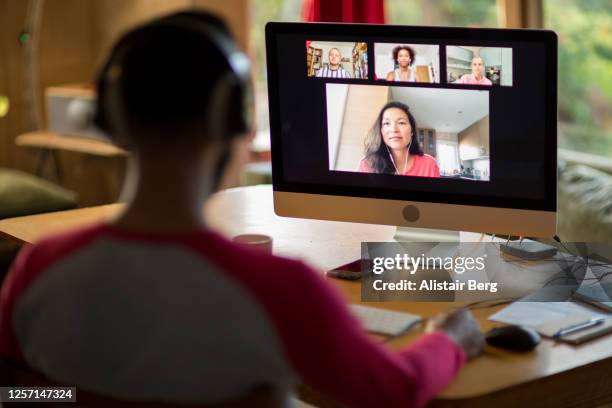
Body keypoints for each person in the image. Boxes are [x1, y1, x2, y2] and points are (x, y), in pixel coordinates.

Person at [0, 11, 483, 407]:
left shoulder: (38, 268)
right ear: (229, 122)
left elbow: (19, 394)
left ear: (112, 120)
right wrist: (450, 338)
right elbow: (394, 390)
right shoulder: (279, 288)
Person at [359, 101, 440, 178]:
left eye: (401, 123)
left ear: (412, 131)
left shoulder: (429, 164)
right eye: (386, 123)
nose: (394, 129)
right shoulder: (367, 165)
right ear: (380, 131)